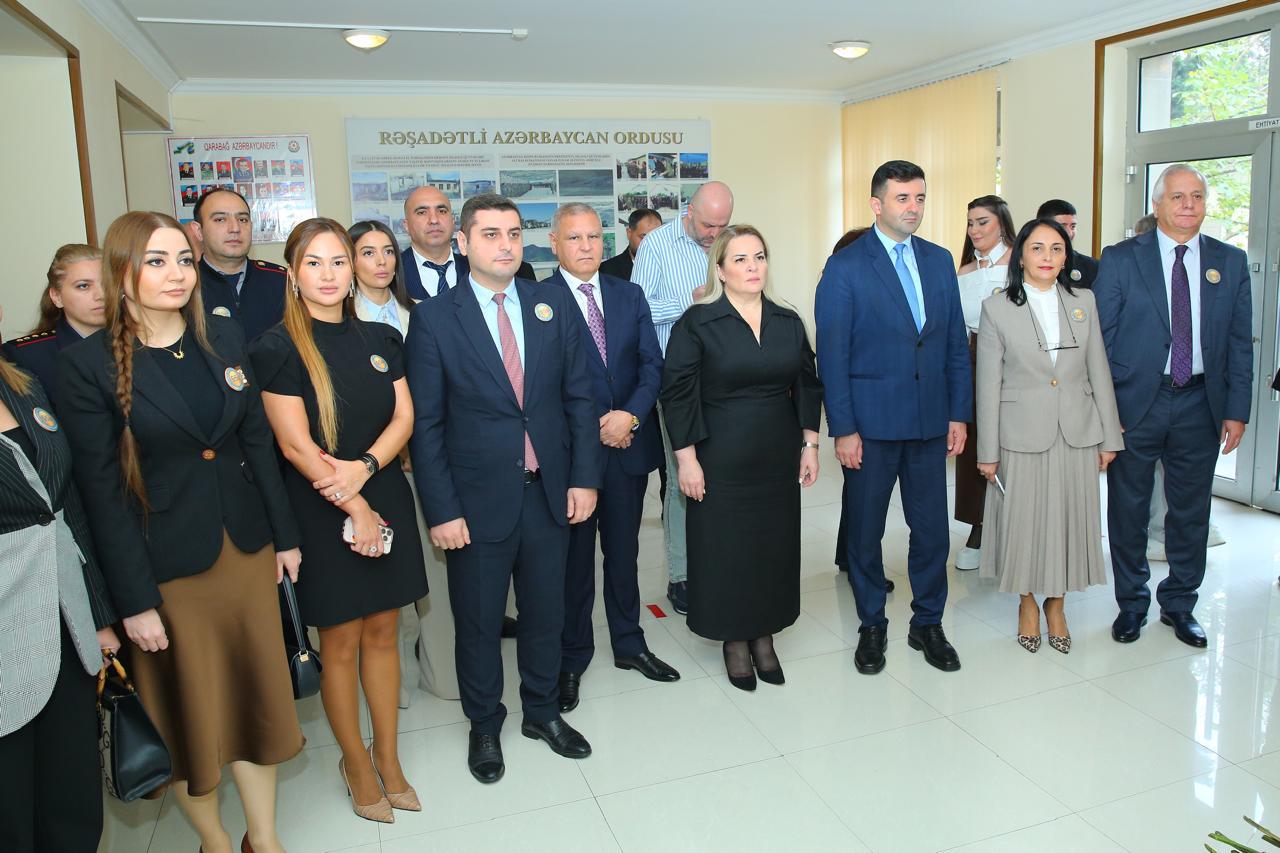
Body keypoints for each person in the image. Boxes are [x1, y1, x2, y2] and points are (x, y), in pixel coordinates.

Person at [58, 211, 304, 853]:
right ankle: (215, 842)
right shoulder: (86, 366)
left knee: (257, 703)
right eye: (156, 261)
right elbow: (101, 499)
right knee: (195, 720)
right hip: (166, 570)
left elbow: (256, 444)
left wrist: (285, 537)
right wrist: (133, 602)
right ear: (122, 273)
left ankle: (264, 839)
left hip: (243, 550)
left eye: (183, 261)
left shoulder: (221, 336)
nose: (176, 274)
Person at [405, 193, 601, 784]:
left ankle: (541, 712)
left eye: (514, 233)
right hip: (474, 503)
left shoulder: (550, 305)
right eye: (490, 234)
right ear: (463, 243)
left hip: (548, 493)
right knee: (479, 622)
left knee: (545, 613)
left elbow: (579, 398)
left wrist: (584, 478)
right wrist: (441, 510)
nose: (506, 245)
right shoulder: (435, 319)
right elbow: (427, 425)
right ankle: (485, 723)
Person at [252, 218, 427, 824]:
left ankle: (389, 758)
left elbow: (404, 417)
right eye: (314, 263)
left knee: (385, 631)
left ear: (353, 271)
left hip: (383, 490)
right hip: (321, 507)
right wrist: (354, 502)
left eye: (338, 262)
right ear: (293, 275)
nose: (328, 275)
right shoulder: (276, 347)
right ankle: (355, 763)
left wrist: (367, 469)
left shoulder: (382, 337)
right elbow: (295, 446)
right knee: (342, 641)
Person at [815, 160, 971, 676]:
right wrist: (844, 429)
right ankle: (871, 625)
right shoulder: (846, 268)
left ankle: (928, 623)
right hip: (871, 428)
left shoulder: (939, 260)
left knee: (932, 533)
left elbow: (953, 344)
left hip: (929, 424)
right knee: (865, 533)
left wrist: (958, 413)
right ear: (877, 204)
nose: (913, 208)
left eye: (920, 198)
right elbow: (832, 356)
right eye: (903, 198)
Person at [1095, 164, 1253, 648]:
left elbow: (1239, 341)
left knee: (1190, 511)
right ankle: (1132, 604)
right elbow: (1099, 340)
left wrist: (1237, 410)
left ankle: (1180, 603)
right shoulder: (1122, 258)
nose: (1188, 205)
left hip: (1200, 403)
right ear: (1158, 204)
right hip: (1135, 404)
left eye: (1197, 197)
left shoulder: (1230, 261)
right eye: (1178, 196)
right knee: (1128, 509)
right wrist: (1105, 411)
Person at [661, 224, 822, 690]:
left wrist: (810, 445)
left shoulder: (787, 320)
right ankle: (734, 638)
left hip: (775, 456)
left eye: (759, 257)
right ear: (720, 270)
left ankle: (764, 635)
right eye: (740, 259)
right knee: (726, 550)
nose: (753, 267)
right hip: (719, 456)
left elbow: (807, 385)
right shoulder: (698, 322)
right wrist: (686, 459)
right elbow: (677, 394)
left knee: (771, 547)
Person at [545, 202, 678, 712]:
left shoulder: (629, 294)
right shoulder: (539, 301)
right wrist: (597, 428)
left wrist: (630, 417)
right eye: (574, 238)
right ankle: (572, 656)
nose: (586, 246)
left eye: (593, 237)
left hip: (629, 448)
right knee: (574, 564)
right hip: (572, 459)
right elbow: (539, 386)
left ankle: (629, 643)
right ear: (554, 244)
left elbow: (652, 365)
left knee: (624, 555)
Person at [975, 219, 1124, 653]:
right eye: (1037, 248)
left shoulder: (1084, 301)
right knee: (1023, 522)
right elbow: (988, 385)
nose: (1047, 257)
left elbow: (1099, 369)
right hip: (1020, 432)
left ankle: (1056, 603)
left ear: (1066, 257)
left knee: (1068, 521)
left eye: (1056, 249)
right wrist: (987, 452)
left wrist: (1110, 437)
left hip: (1078, 429)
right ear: (1021, 256)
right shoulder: (997, 307)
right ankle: (1026, 601)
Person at [0, 319, 119, 853]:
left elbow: (65, 503)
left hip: (62, 616)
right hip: (6, 626)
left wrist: (97, 613)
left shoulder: (21, 383)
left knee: (71, 794)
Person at [349, 219, 459, 705]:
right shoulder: (338, 321)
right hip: (368, 466)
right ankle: (389, 684)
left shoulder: (421, 314)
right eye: (367, 252)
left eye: (388, 251)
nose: (381, 262)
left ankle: (443, 674)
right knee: (384, 577)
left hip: (426, 459)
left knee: (435, 573)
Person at [633, 180, 734, 616]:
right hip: (677, 382)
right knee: (681, 480)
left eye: (722, 226)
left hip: (723, 379)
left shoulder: (728, 242)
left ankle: (717, 564)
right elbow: (638, 311)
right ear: (689, 211)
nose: (715, 235)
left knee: (720, 475)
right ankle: (681, 575)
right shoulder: (657, 245)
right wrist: (688, 303)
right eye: (709, 225)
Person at [1134, 207, 1226, 558]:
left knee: (1187, 490)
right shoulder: (1125, 266)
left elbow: (1233, 340)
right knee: (1138, 490)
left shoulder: (1220, 264)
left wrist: (1235, 410)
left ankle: (1180, 578)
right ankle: (1135, 586)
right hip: (1144, 395)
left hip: (1197, 394)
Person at [828, 228, 895, 595]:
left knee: (856, 495)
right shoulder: (842, 286)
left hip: (872, 408)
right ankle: (861, 567)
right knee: (864, 498)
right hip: (858, 410)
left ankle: (847, 556)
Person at [953, 196, 1017, 571]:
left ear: (1002, 224)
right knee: (977, 445)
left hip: (1014, 364)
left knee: (1013, 446)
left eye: (983, 222)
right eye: (970, 223)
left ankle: (1017, 528)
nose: (975, 230)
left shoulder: (1020, 264)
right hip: (973, 361)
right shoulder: (963, 271)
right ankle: (978, 526)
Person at [3, 244, 105, 407]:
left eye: (107, 284)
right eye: (83, 286)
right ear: (57, 297)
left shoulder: (138, 342)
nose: (101, 295)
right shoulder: (27, 356)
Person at [401, 186, 534, 300]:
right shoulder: (393, 272)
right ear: (406, 225)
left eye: (442, 211)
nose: (434, 220)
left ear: (453, 221)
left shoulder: (513, 270)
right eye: (422, 212)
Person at [192, 188, 287, 341]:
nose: (235, 228)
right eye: (220, 219)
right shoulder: (186, 284)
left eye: (242, 220)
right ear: (198, 231)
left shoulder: (281, 281)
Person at [1037, 199, 1099, 289]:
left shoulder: (1091, 267)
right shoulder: (1029, 263)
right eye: (1062, 226)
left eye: (1073, 226)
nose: (1069, 233)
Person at [600, 208, 663, 281]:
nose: (651, 244)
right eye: (644, 237)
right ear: (629, 233)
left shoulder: (670, 266)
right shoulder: (606, 271)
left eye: (656, 237)